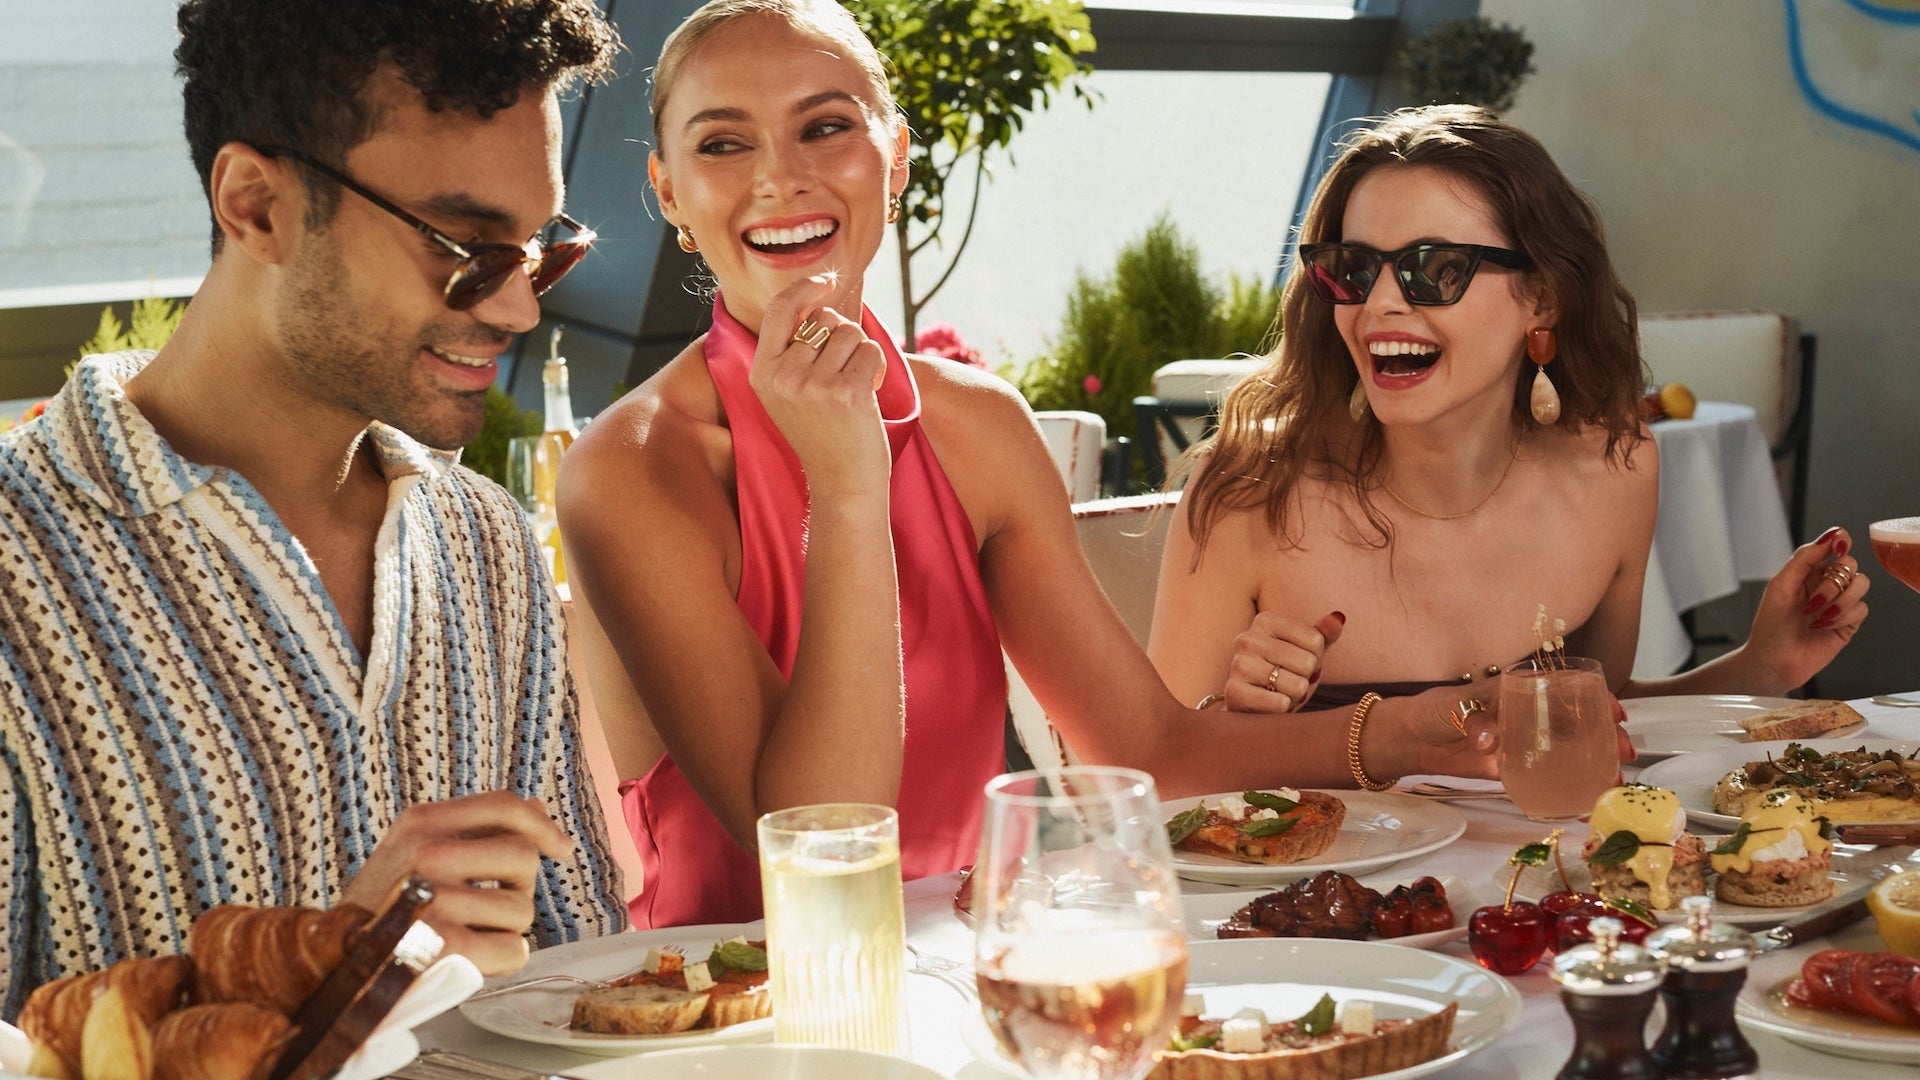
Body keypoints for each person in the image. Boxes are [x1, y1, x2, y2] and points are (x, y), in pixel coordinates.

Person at [560, 0, 1509, 931]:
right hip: (739, 1021)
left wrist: (1408, 728)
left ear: (893, 160)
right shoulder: (633, 468)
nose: (780, 176)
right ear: (669, 190)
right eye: (723, 144)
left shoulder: (977, 426)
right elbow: (822, 846)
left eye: (826, 127)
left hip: (973, 976)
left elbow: (1149, 749)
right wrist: (850, 487)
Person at [0, 0, 626, 1017]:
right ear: (256, 206)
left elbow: (583, 987)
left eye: (542, 248)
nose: (517, 306)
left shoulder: (490, 547)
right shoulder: (18, 572)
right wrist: (319, 969)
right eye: (464, 245)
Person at [1149, 105, 1867, 722]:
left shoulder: (1616, 470)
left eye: (1437, 269)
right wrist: (1235, 717)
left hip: (1534, 880)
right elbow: (1161, 774)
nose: (1381, 304)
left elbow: (1599, 716)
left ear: (1545, 296)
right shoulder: (1248, 489)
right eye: (1355, 267)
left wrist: (1761, 670)